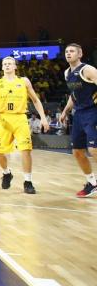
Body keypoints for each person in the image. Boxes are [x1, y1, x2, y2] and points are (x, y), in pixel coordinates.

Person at [0, 56, 49, 194]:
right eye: (5, 64)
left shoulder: (24, 81)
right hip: (3, 119)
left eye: (10, 63)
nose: (7, 65)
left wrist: (43, 118)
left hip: (20, 118)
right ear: (2, 67)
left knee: (26, 150)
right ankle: (7, 173)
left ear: (15, 66)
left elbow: (36, 100)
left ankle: (28, 182)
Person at [60, 43, 97, 197]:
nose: (68, 53)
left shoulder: (88, 69)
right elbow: (73, 94)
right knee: (77, 151)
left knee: (94, 149)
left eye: (72, 51)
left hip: (92, 111)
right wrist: (65, 110)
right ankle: (92, 183)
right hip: (79, 114)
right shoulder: (67, 72)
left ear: (80, 54)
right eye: (67, 51)